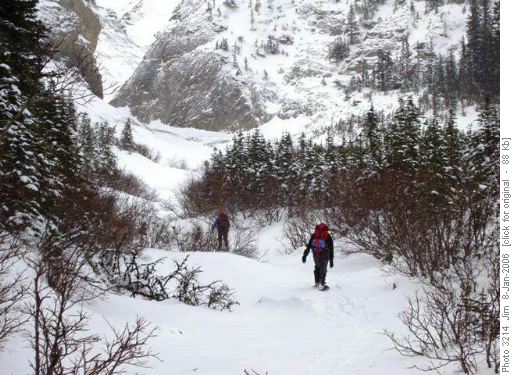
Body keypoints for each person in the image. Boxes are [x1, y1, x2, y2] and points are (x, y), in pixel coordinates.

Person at [302, 223, 334, 291]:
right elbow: (331, 249)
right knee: (323, 269)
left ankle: (317, 283)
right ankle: (322, 285)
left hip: (315, 254)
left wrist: (305, 255)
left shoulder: (314, 235)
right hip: (324, 254)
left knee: (317, 267)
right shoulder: (327, 236)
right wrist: (331, 260)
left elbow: (309, 246)